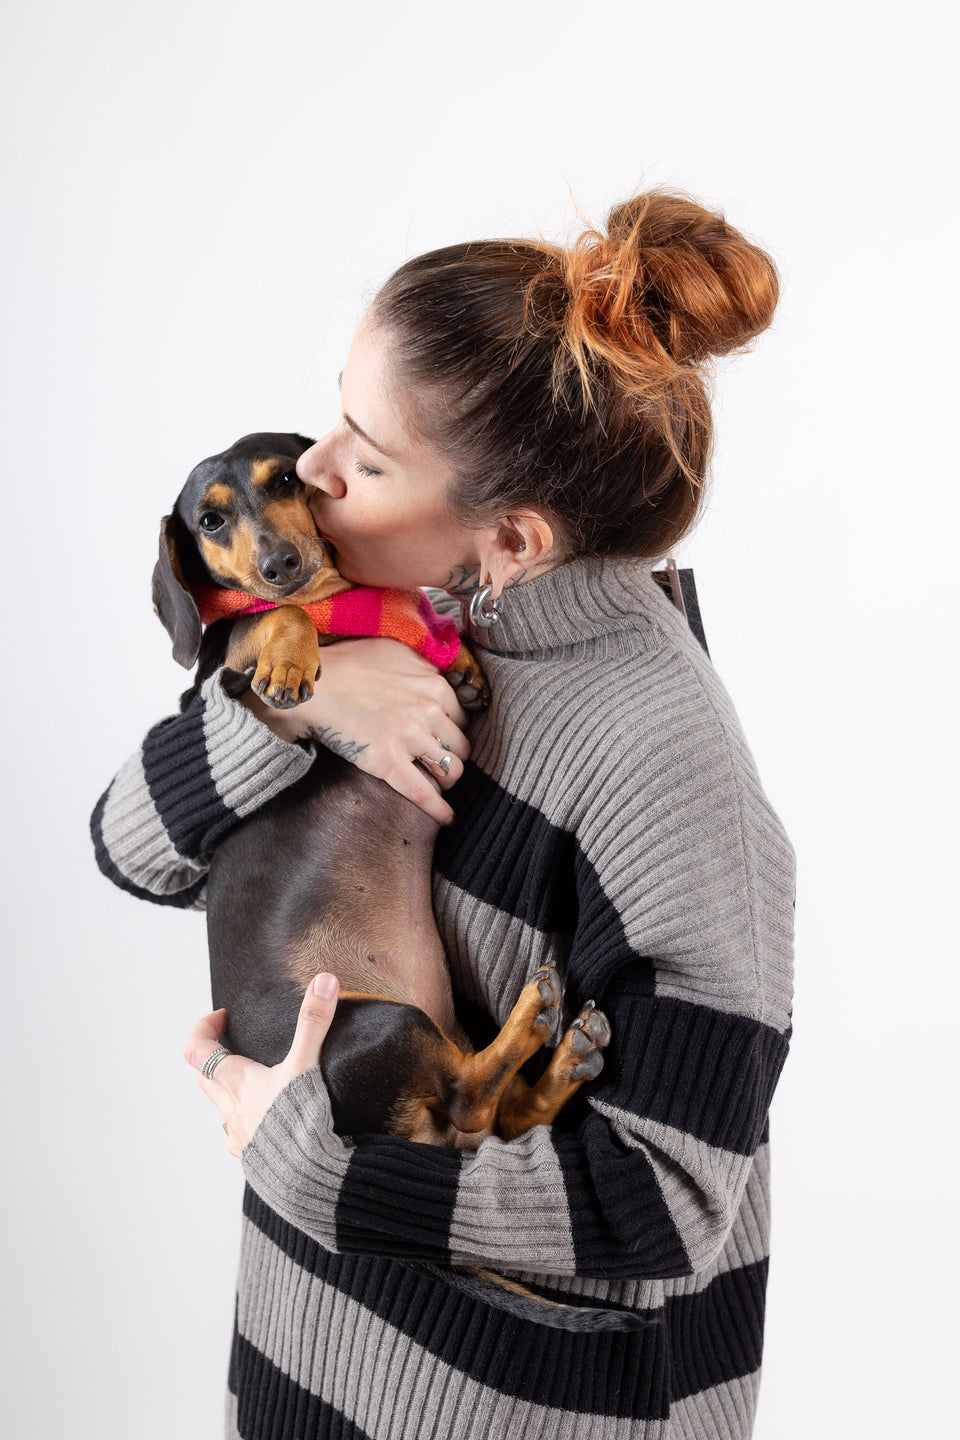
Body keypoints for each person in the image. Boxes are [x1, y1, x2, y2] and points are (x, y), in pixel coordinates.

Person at [92, 190, 795, 1440]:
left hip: (499, 1410)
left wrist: (305, 1160)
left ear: (511, 540)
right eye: (331, 415)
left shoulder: (659, 768)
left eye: (363, 456)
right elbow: (127, 848)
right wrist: (292, 709)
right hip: (310, 1370)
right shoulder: (381, 633)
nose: (309, 472)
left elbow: (664, 1208)